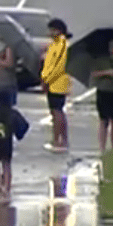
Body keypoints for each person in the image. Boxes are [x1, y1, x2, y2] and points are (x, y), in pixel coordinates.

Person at [40, 18, 72, 152]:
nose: (50, 32)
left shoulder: (63, 44)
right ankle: (61, 140)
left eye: (52, 30)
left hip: (57, 83)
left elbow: (59, 66)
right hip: (52, 82)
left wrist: (47, 80)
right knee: (55, 111)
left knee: (57, 112)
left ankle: (59, 141)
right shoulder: (54, 44)